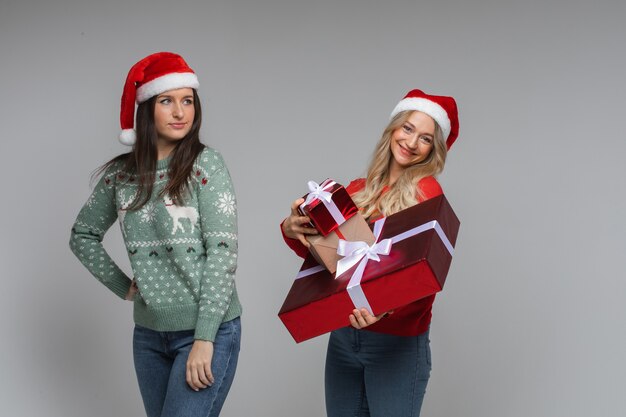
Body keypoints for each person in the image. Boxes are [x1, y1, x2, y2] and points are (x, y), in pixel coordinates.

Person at [69, 52, 241, 417]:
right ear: (147, 109)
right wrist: (124, 285)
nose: (180, 112)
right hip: (148, 336)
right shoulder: (120, 176)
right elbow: (83, 234)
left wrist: (204, 337)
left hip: (206, 327)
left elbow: (222, 251)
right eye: (167, 101)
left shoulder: (205, 164)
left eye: (187, 101)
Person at [281, 89, 459, 417]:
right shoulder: (356, 190)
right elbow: (329, 260)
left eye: (425, 139)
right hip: (344, 338)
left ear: (433, 151)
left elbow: (425, 278)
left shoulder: (427, 193)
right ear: (393, 128)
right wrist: (293, 229)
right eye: (407, 128)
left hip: (397, 346)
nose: (411, 142)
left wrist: (385, 310)